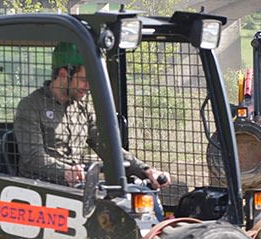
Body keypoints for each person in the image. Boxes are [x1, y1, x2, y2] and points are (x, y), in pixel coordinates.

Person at [14, 42, 170, 191]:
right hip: (41, 189)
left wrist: (145, 170)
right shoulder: (31, 106)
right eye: (83, 80)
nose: (88, 87)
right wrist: (66, 171)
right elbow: (33, 157)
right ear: (63, 73)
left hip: (76, 187)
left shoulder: (83, 109)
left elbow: (107, 146)